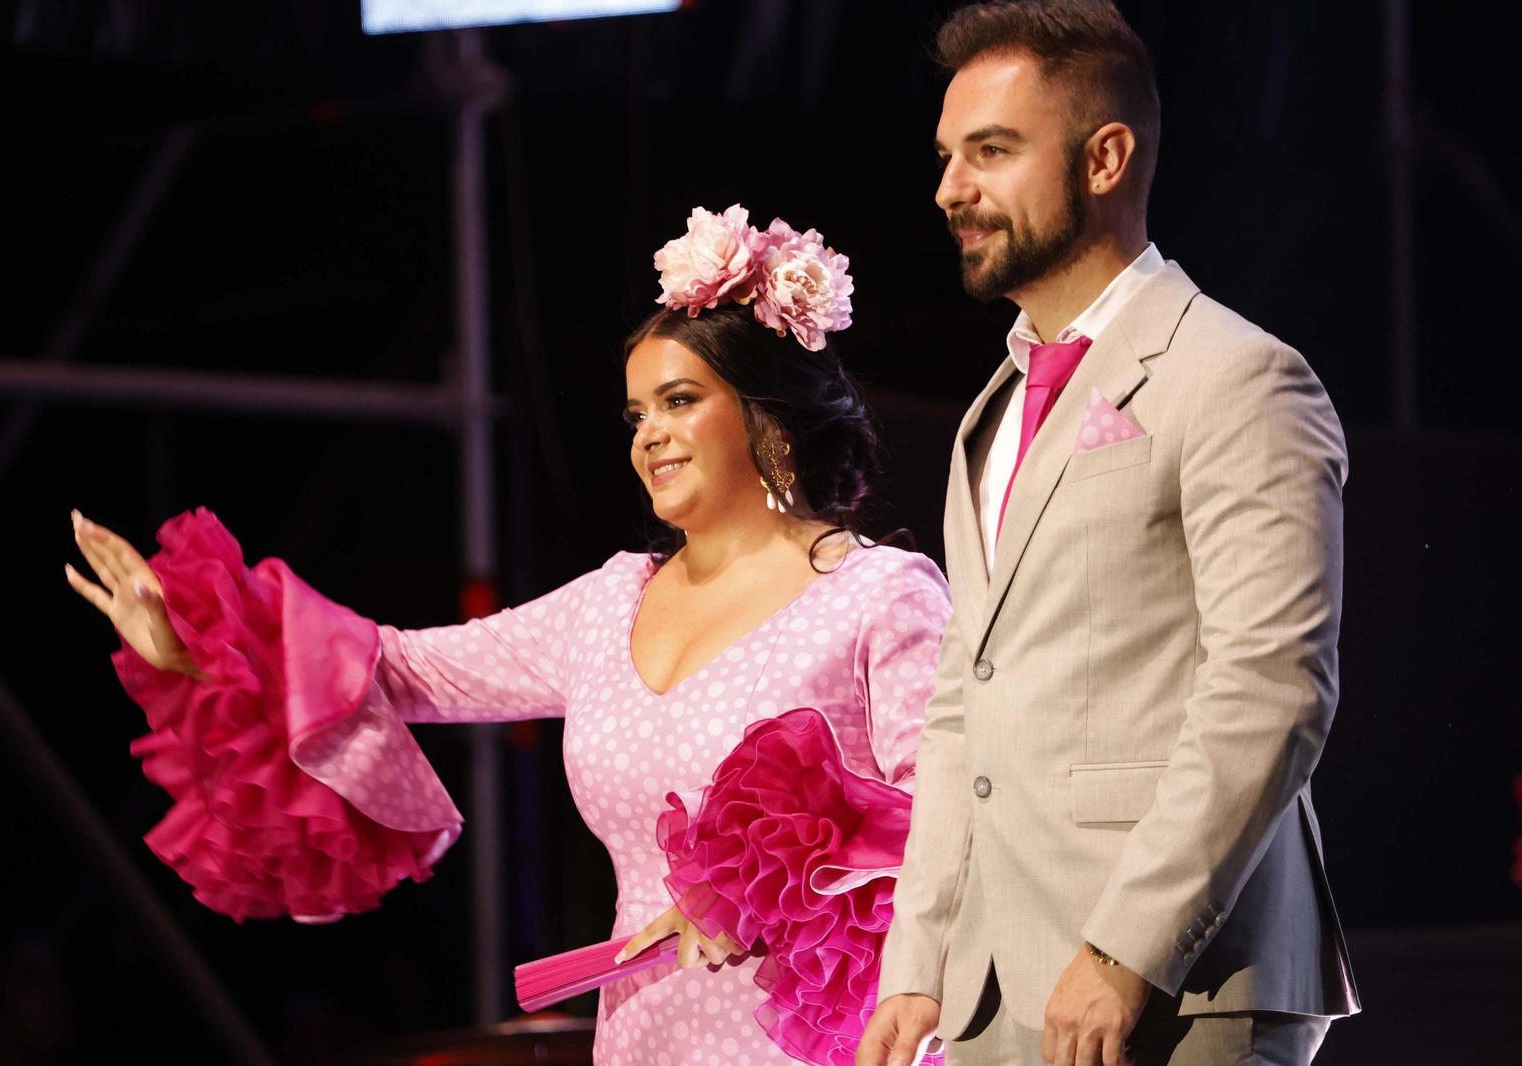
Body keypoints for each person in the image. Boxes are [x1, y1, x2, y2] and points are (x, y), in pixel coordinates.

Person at [67, 205, 952, 1066]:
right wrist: (204, 635)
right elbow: (403, 669)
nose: (650, 437)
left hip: (830, 1043)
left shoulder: (877, 593)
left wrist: (765, 895)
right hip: (645, 1040)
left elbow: (952, 827)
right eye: (637, 415)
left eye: (679, 401)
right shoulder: (612, 601)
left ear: (771, 415)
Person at [856, 4, 1360, 1065]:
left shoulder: (1236, 374)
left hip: (1180, 979)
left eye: (990, 152)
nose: (951, 188)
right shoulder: (988, 410)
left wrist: (1126, 947)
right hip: (994, 984)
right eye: (948, 156)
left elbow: (1271, 684)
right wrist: (917, 959)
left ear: (1104, 156)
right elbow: (963, 702)